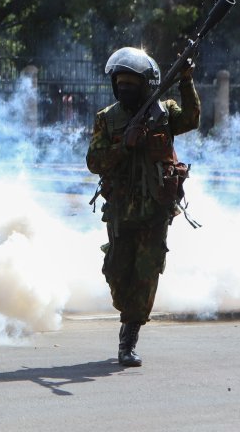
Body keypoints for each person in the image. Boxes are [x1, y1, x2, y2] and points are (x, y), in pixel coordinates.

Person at [86, 47, 200, 367]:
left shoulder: (165, 112)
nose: (124, 87)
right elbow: (94, 162)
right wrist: (126, 143)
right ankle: (128, 313)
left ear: (146, 84)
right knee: (116, 271)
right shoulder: (107, 119)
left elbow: (191, 119)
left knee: (146, 272)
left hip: (154, 210)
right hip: (121, 210)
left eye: (131, 82)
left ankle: (129, 337)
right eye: (119, 82)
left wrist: (186, 81)